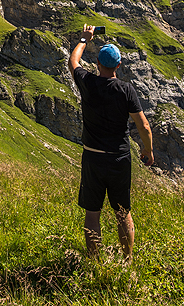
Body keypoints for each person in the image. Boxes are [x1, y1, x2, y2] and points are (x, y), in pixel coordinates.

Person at [68, 24, 154, 263]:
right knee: (123, 213)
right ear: (119, 65)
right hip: (119, 158)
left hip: (93, 156)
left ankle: (95, 263)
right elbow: (143, 125)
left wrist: (84, 39)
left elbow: (73, 62)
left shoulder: (87, 82)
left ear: (97, 64)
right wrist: (148, 150)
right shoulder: (126, 90)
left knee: (92, 214)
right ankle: (127, 261)